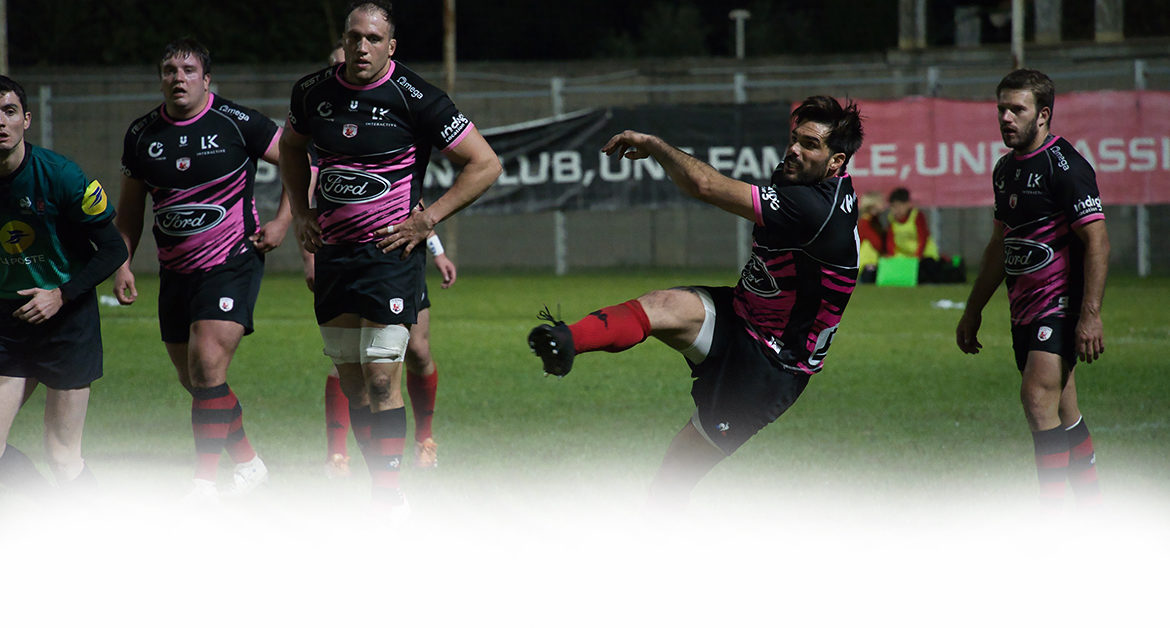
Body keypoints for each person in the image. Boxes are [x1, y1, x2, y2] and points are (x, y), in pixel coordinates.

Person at [529, 95, 864, 511]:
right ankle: (566, 339)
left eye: (810, 144)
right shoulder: (803, 183)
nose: (794, 149)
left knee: (673, 478)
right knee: (663, 305)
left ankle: (664, 538)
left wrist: (655, 146)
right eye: (795, 138)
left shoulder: (816, 209)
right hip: (741, 313)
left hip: (771, 367)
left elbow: (704, 185)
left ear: (836, 162)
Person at [280, 0, 501, 513]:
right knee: (353, 382)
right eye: (354, 37)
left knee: (381, 377)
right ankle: (379, 484)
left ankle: (388, 495)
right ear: (344, 40)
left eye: (373, 39)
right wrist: (302, 212)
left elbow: (485, 164)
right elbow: (290, 148)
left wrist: (428, 219)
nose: (362, 47)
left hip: (389, 255)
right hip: (334, 255)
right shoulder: (312, 91)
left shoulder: (417, 96)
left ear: (391, 46)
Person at [113, 39, 293, 501]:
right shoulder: (141, 134)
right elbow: (130, 210)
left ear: (206, 79)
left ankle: (204, 486)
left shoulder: (238, 122)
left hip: (232, 261)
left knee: (208, 364)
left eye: (189, 70)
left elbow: (299, 162)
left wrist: (282, 222)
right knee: (194, 379)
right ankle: (250, 464)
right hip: (175, 271)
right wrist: (122, 263)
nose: (179, 77)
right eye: (170, 70)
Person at [297, 43, 456, 478]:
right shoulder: (323, 127)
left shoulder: (399, 108)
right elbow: (313, 197)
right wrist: (309, 253)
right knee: (353, 369)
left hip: (393, 260)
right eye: (337, 64)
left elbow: (407, 203)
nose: (347, 70)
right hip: (340, 259)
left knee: (414, 353)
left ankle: (422, 440)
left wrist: (436, 249)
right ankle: (342, 455)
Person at [956, 68, 1108, 504]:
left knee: (1037, 399)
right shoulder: (1005, 170)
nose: (1006, 118)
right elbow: (999, 246)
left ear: (1043, 115)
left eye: (1016, 110)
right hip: (1022, 308)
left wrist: (1090, 315)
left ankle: (1053, 520)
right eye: (1001, 109)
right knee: (1063, 408)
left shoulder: (1066, 166)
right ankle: (1094, 508)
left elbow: (1097, 240)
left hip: (1058, 306)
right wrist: (973, 310)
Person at [0, 75, 127, 491]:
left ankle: (92, 523)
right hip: (7, 323)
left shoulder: (61, 175)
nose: (0, 121)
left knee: (62, 455)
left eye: (9, 111)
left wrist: (61, 294)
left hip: (67, 321)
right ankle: (44, 510)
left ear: (26, 119)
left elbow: (113, 249)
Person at [884, 187, 938, 260]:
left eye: (900, 206)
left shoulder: (916, 216)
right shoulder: (891, 219)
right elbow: (890, 241)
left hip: (924, 256)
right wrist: (892, 257)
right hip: (904, 258)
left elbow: (922, 239)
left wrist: (917, 257)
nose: (896, 210)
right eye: (893, 206)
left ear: (908, 204)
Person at [857, 190, 887, 282]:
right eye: (881, 202)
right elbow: (877, 243)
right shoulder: (866, 223)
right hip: (866, 263)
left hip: (872, 260)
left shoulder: (873, 220)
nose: (884, 204)